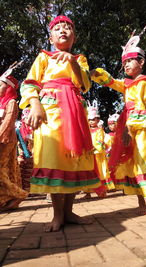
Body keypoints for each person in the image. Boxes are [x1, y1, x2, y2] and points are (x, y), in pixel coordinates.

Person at [19, 15, 102, 232]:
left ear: (74, 37)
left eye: (68, 28)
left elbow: (84, 85)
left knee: (72, 159)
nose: (63, 31)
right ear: (50, 37)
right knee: (54, 159)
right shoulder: (44, 57)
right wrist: (35, 104)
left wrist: (73, 62)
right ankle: (58, 214)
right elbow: (29, 84)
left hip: (75, 109)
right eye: (58, 28)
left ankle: (69, 212)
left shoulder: (80, 59)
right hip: (50, 111)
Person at [91, 25, 146, 214]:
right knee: (132, 161)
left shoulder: (143, 83)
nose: (126, 66)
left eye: (130, 62)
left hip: (141, 126)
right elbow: (113, 83)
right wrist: (98, 74)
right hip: (129, 124)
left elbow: (141, 106)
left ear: (141, 62)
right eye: (124, 63)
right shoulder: (128, 84)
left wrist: (127, 129)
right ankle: (141, 201)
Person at [0, 73, 28, 211]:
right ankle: (7, 199)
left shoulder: (11, 103)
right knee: (9, 168)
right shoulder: (2, 103)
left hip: (5, 139)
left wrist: (1, 135)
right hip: (2, 138)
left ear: (9, 88)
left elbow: (8, 122)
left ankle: (19, 194)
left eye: (0, 85)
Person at [82, 101, 114, 199]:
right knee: (89, 171)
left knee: (100, 172)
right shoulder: (86, 130)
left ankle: (102, 191)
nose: (91, 121)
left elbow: (101, 140)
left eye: (93, 119)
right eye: (89, 119)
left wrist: (97, 148)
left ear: (97, 119)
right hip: (89, 154)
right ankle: (87, 192)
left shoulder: (100, 130)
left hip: (98, 155)